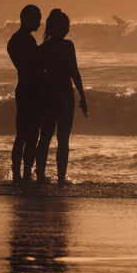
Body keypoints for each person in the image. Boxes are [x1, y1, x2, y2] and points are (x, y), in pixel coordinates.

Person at [36, 9, 88, 185]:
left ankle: (41, 176)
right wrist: (82, 95)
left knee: (45, 137)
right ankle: (60, 178)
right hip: (65, 95)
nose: (68, 29)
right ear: (59, 27)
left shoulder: (42, 48)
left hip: (47, 94)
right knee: (63, 139)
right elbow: (75, 72)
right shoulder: (68, 46)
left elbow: (37, 74)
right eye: (66, 26)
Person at [6, 4, 43, 183]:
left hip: (23, 87)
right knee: (31, 133)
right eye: (37, 18)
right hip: (32, 89)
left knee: (21, 133)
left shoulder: (13, 40)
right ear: (26, 18)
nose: (39, 22)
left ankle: (17, 173)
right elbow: (37, 63)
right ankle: (26, 172)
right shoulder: (26, 40)